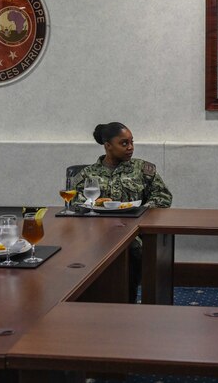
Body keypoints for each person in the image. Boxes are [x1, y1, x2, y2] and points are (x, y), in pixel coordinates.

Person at [74, 122, 172, 302]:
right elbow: (72, 201)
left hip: (134, 233)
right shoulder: (88, 174)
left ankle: (128, 302)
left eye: (132, 142)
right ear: (108, 146)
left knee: (133, 253)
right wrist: (93, 203)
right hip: (95, 234)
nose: (130, 148)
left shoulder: (143, 170)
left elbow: (163, 197)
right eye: (124, 143)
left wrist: (141, 210)